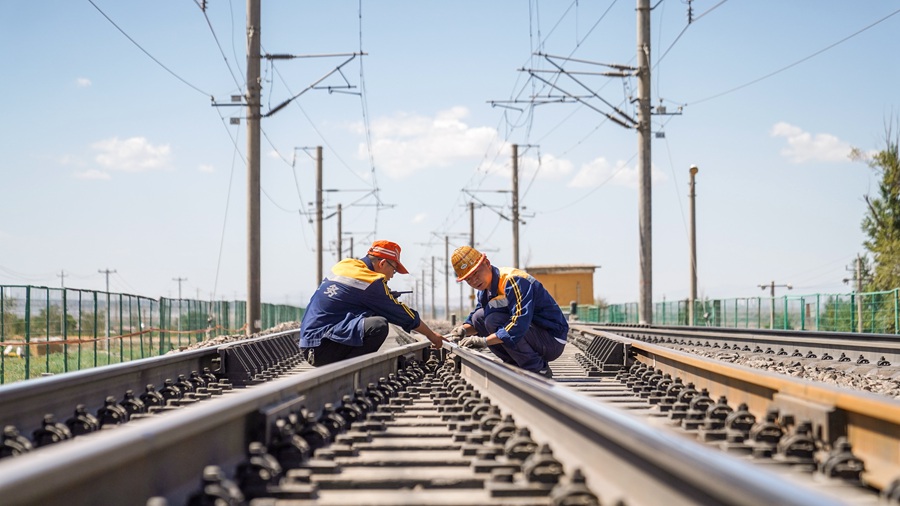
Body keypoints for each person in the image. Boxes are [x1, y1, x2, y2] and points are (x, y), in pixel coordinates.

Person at [299, 240, 446, 367]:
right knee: (379, 326)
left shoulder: (346, 265)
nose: (392, 275)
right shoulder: (370, 281)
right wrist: (432, 335)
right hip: (322, 348)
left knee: (374, 316)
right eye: (393, 270)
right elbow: (402, 314)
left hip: (311, 342)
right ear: (382, 263)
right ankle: (348, 371)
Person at [449, 245, 568, 378]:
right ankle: (515, 365)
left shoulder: (513, 281)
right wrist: (463, 330)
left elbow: (519, 323)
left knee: (493, 320)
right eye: (468, 279)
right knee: (479, 317)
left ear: (487, 263)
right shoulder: (484, 291)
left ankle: (537, 369)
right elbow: (476, 322)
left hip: (551, 340)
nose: (473, 280)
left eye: (475, 273)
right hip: (534, 336)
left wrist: (484, 341)